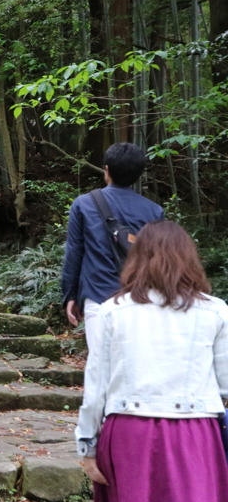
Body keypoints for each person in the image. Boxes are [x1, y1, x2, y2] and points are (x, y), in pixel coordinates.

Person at [75, 220, 228, 502]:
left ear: (136, 259)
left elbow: (97, 384)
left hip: (130, 434)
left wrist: (86, 443)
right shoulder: (215, 312)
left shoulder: (113, 311)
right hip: (197, 435)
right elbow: (226, 385)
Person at [60, 142, 163, 349]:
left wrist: (70, 295)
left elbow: (75, 251)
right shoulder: (154, 211)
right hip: (139, 300)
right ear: (139, 174)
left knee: (101, 368)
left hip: (97, 296)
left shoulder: (84, 204)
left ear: (106, 169)